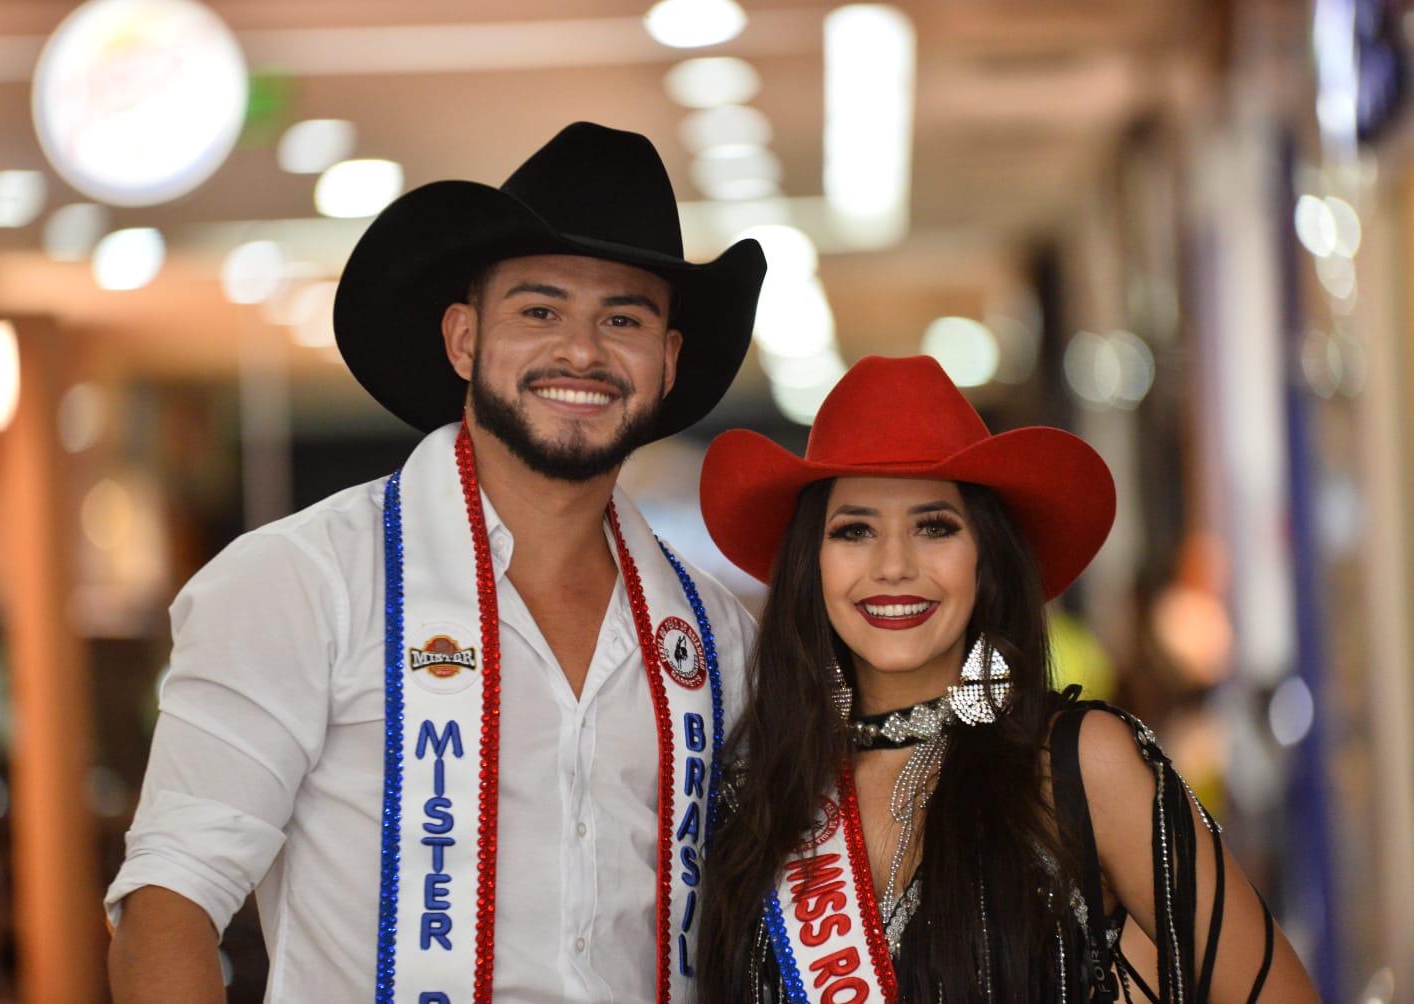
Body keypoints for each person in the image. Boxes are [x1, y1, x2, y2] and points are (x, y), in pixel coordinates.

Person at [104, 122, 766, 1003]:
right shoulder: (305, 581)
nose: (582, 351)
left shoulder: (715, 635)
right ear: (463, 339)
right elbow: (169, 903)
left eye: (624, 319)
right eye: (540, 311)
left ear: (668, 362)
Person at [695, 355, 1319, 1002]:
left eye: (934, 527)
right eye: (854, 531)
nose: (893, 566)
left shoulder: (1074, 764)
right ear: (811, 565)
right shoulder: (758, 792)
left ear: (986, 557)